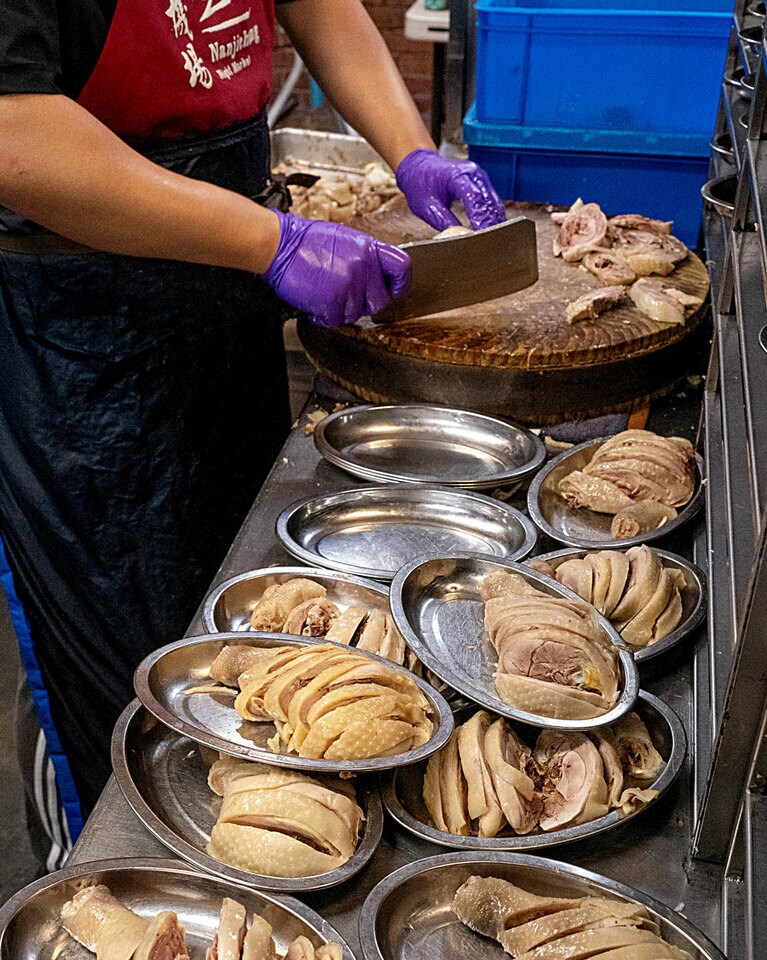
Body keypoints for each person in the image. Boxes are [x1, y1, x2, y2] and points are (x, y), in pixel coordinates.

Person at [0, 0, 506, 852]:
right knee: (115, 664)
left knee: (237, 587)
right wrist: (268, 240)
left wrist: (411, 148)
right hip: (80, 337)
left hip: (222, 284)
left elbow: (317, 6)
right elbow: (15, 138)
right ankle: (102, 860)